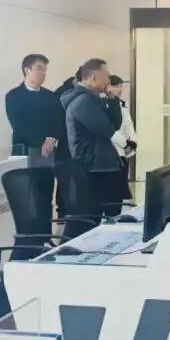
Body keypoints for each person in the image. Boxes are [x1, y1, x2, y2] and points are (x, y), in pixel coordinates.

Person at [5, 54, 67, 227]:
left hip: (46, 153)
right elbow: (19, 125)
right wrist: (42, 141)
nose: (43, 73)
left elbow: (59, 121)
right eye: (39, 69)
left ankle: (46, 235)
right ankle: (30, 237)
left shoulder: (51, 96)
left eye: (45, 70)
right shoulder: (14, 96)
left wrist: (51, 139)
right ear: (27, 70)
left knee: (45, 195)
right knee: (27, 198)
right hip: (25, 151)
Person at [61, 58, 125, 221]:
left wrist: (113, 99)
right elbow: (107, 129)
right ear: (93, 77)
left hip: (100, 165)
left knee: (110, 213)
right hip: (91, 167)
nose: (109, 80)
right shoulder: (82, 101)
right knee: (94, 218)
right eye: (106, 76)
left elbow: (115, 124)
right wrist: (125, 144)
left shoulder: (94, 98)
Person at [107, 75, 137, 205]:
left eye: (121, 86)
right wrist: (125, 144)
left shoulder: (122, 105)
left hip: (124, 153)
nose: (120, 89)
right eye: (117, 86)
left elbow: (129, 127)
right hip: (113, 152)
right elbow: (109, 130)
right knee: (112, 191)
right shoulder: (103, 104)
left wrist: (133, 143)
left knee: (120, 189)